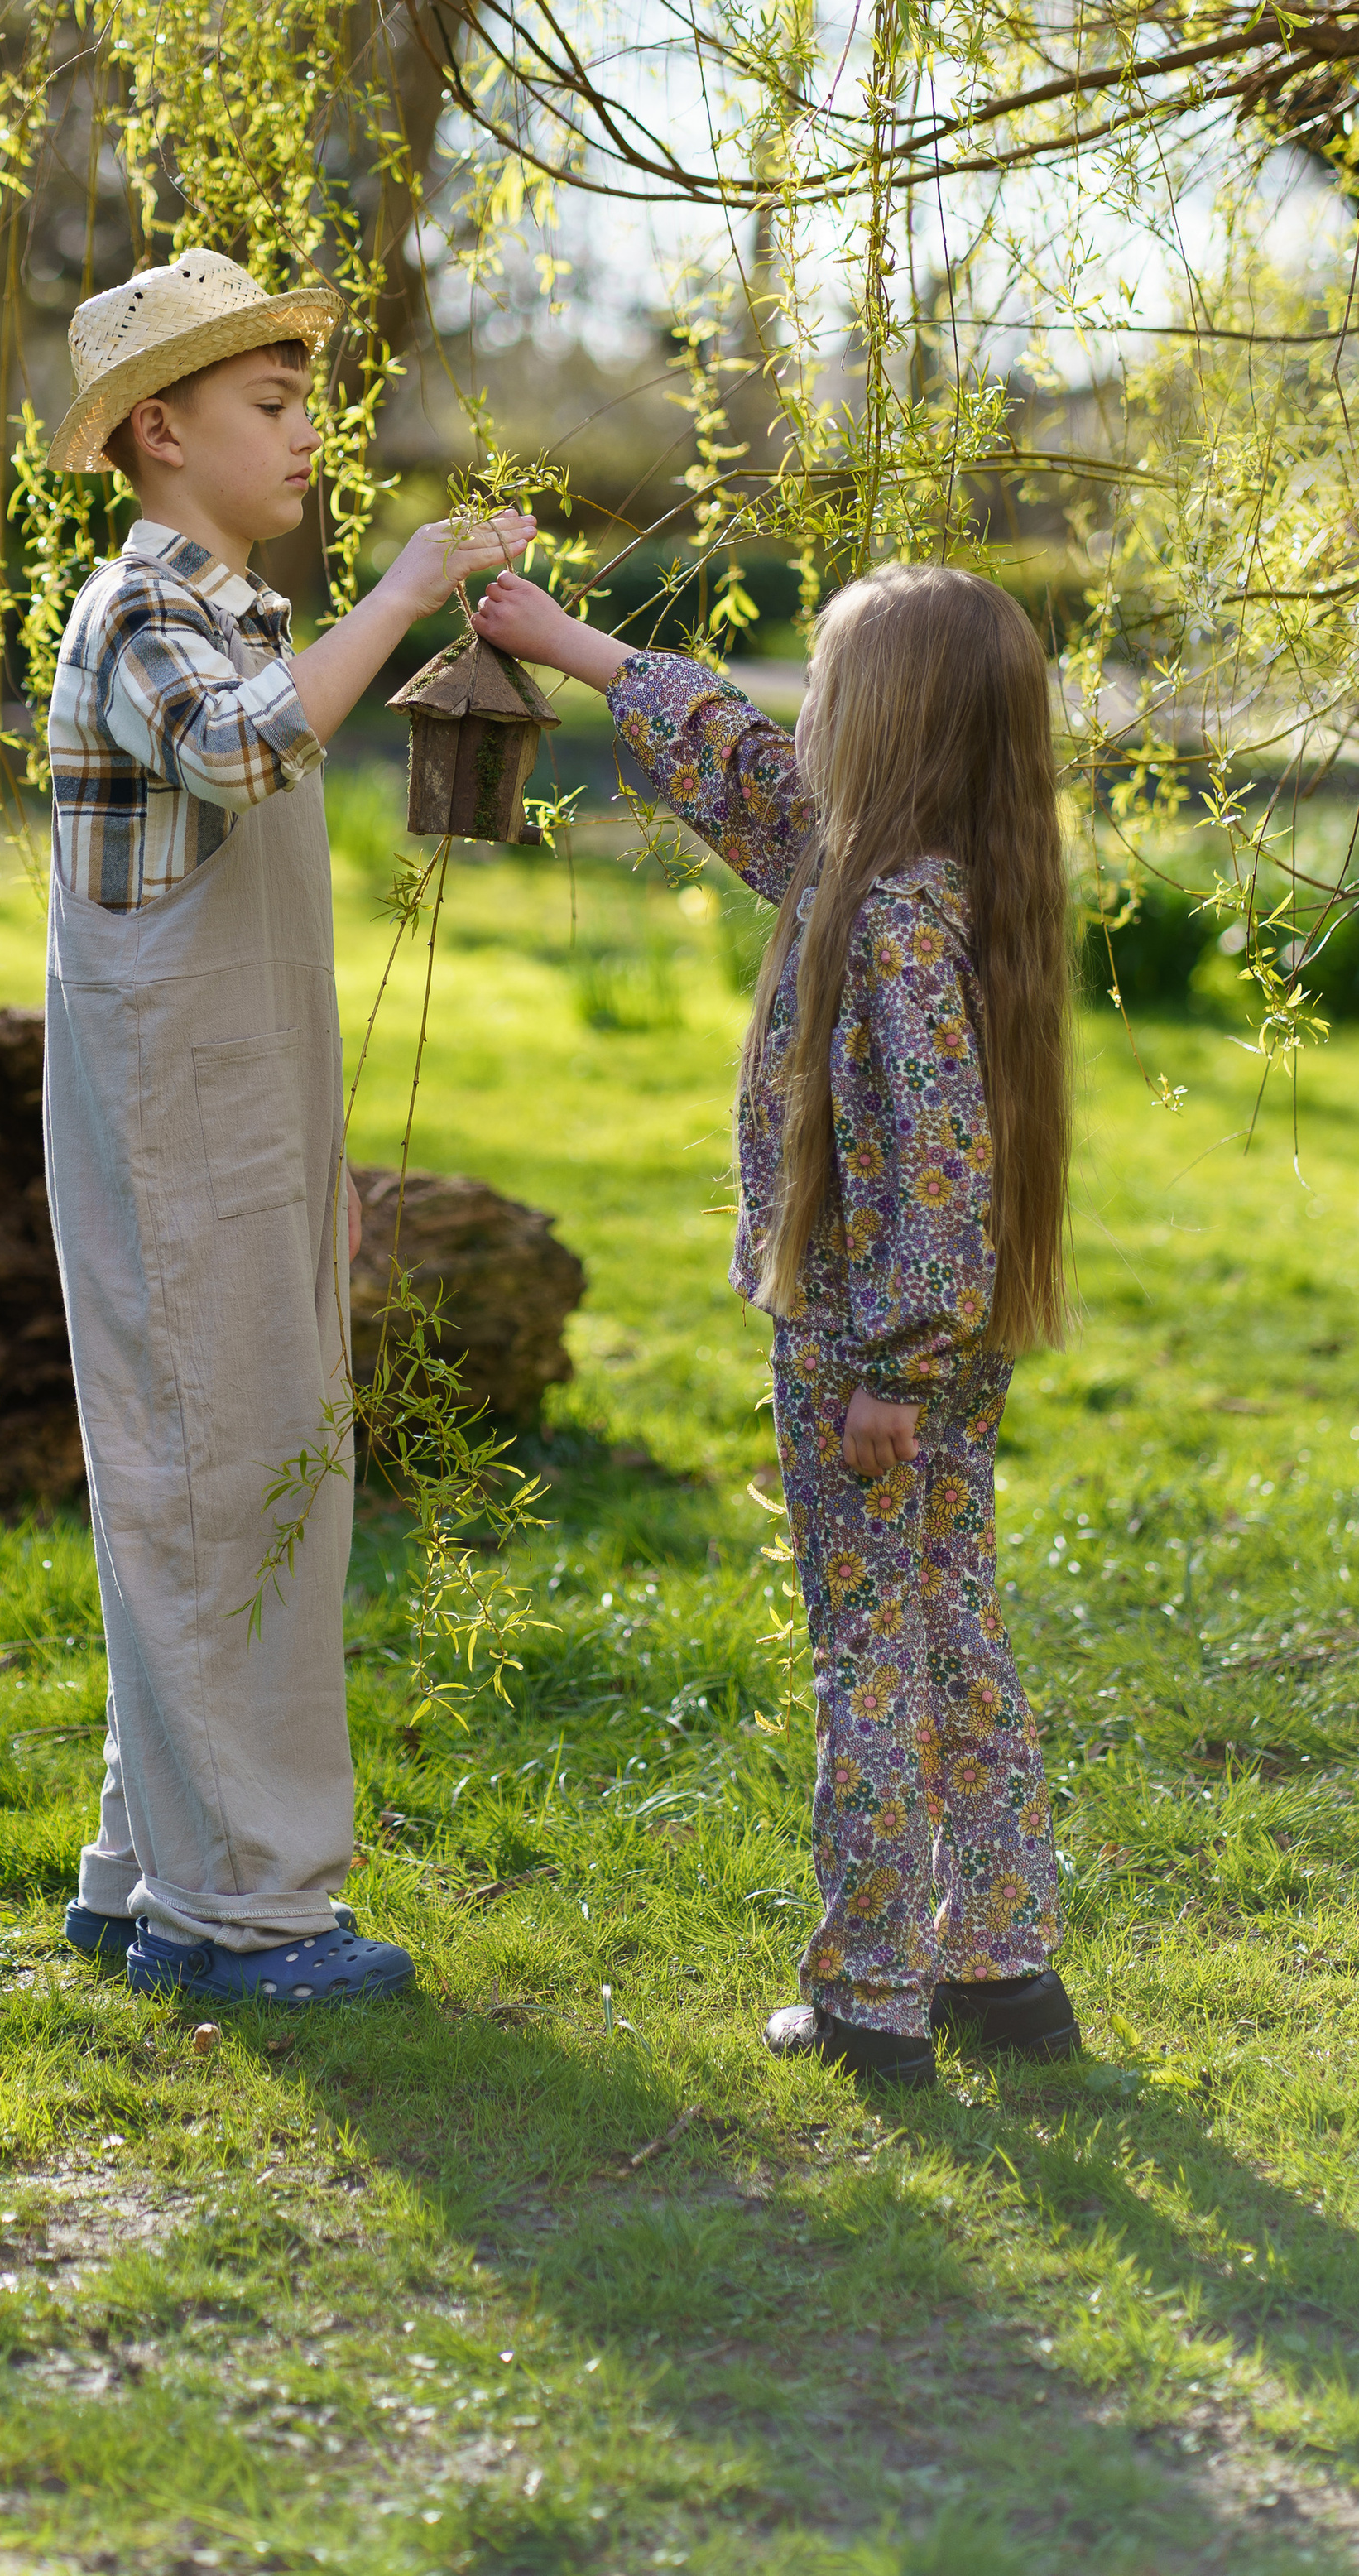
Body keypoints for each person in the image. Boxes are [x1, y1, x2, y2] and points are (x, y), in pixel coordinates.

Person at [470, 559, 1079, 2087]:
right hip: (935, 1336)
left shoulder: (888, 922)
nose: (803, 713)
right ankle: (1006, 1973)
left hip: (876, 1342)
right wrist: (577, 648)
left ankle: (874, 1997)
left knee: (867, 1650)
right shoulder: (928, 871)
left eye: (827, 682)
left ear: (884, 717)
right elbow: (739, 768)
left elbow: (938, 1169)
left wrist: (888, 1368)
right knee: (949, 1623)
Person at [42, 248, 533, 2008]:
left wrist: (318, 1160)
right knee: (212, 1481)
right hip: (173, 1136)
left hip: (243, 1132)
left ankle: (141, 1871)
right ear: (160, 432)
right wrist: (406, 590)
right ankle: (240, 1913)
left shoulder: (241, 617)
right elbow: (240, 759)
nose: (308, 432)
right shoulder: (138, 618)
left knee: (235, 1471)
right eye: (272, 404)